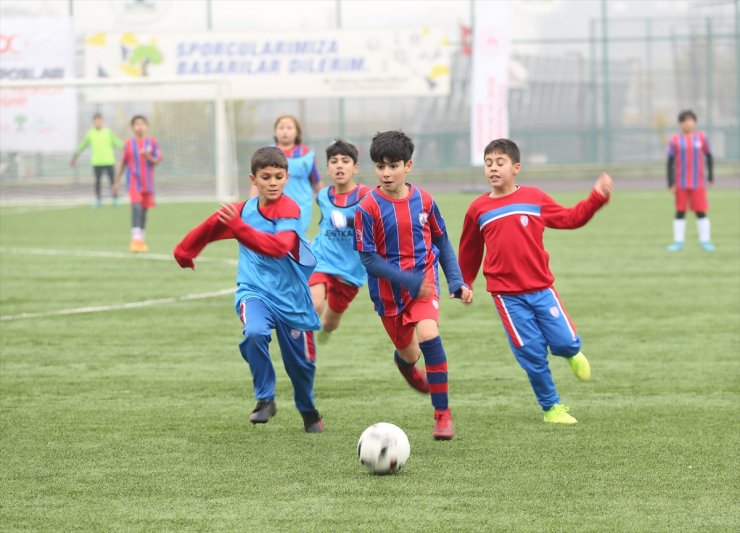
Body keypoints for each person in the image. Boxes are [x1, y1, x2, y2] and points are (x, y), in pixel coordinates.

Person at [458, 138, 612, 425]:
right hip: (507, 296)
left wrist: (596, 198)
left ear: (515, 168)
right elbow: (469, 250)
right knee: (531, 353)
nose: (493, 168)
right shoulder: (478, 209)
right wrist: (464, 282)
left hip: (542, 289)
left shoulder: (534, 198)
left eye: (500, 163)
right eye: (488, 163)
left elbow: (570, 218)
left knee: (565, 342)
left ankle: (572, 353)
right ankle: (552, 407)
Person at [173, 146, 324, 433]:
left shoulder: (289, 209)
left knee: (300, 368)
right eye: (266, 177)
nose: (273, 182)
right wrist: (184, 251)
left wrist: (239, 228)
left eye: (279, 176)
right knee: (255, 333)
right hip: (254, 292)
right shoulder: (243, 211)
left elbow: (279, 248)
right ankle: (265, 399)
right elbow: (209, 227)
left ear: (286, 177)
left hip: (292, 299)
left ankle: (307, 408)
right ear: (253, 179)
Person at [355, 131, 472, 440]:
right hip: (388, 296)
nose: (386, 173)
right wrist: (408, 280)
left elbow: (442, 241)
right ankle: (406, 364)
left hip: (425, 282)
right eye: (380, 167)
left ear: (408, 165)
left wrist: (456, 280)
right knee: (409, 354)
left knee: (430, 334)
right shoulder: (367, 208)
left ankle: (442, 415)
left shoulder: (425, 200)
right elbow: (368, 260)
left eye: (393, 165)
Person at [309, 139, 372, 344]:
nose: (339, 165)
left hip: (351, 271)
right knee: (314, 303)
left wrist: (349, 221)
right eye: (334, 161)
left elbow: (375, 223)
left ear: (355, 168)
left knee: (330, 323)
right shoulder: (323, 196)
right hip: (322, 261)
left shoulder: (367, 196)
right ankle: (301, 345)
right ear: (327, 168)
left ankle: (325, 332)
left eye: (345, 161)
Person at [251, 115, 322, 232]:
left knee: (293, 240)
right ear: (275, 132)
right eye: (281, 127)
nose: (285, 131)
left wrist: (326, 202)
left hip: (301, 207)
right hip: (271, 204)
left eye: (289, 128)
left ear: (297, 132)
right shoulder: (266, 153)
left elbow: (316, 182)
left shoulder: (308, 155)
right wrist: (252, 205)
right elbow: (256, 181)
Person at [666, 110, 715, 252]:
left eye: (691, 120)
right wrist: (670, 182)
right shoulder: (675, 140)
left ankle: (705, 241)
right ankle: (678, 242)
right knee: (680, 211)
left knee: (701, 211)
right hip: (680, 182)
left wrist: (710, 177)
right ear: (680, 124)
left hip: (698, 182)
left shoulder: (702, 138)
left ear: (695, 122)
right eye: (685, 121)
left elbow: (709, 156)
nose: (688, 123)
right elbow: (669, 162)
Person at [113, 115, 162, 253]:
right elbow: (123, 163)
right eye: (136, 124)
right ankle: (135, 240)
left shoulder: (152, 142)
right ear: (132, 127)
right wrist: (116, 181)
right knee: (136, 207)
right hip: (134, 182)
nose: (139, 126)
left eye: (142, 123)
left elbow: (157, 160)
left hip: (148, 184)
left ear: (147, 126)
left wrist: (148, 156)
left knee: (144, 212)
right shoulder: (129, 144)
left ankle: (141, 240)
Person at [70, 113, 124, 208]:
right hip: (97, 162)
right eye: (95, 121)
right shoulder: (90, 133)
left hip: (109, 161)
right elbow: (82, 145)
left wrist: (128, 149)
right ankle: (98, 200)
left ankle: (115, 199)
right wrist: (75, 156)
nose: (98, 123)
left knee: (112, 181)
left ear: (102, 121)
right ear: (93, 122)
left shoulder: (108, 132)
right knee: (97, 182)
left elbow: (118, 143)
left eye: (99, 121)